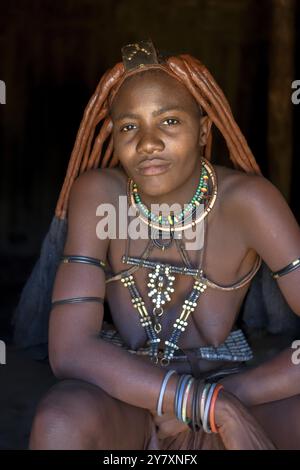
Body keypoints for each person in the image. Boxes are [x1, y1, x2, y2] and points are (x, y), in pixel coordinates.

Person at [29, 40, 300, 450]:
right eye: (129, 126)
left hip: (236, 388)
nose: (148, 143)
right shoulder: (100, 195)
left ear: (203, 129)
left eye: (169, 121)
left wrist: (220, 401)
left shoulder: (250, 201)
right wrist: (201, 404)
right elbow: (68, 350)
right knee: (58, 422)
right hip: (127, 394)